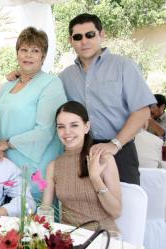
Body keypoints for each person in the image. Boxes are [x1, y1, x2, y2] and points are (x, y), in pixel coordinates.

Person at [58, 13, 156, 185]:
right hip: (82, 152)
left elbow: (142, 111)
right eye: (78, 37)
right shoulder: (65, 77)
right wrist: (22, 75)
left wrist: (115, 144)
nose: (84, 41)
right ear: (70, 40)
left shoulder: (124, 66)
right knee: (87, 208)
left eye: (90, 34)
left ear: (102, 34)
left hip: (120, 150)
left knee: (126, 207)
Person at [0, 27, 67, 203]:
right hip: (6, 163)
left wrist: (7, 143)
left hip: (36, 165)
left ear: (43, 57)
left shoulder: (51, 84)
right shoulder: (7, 86)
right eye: (24, 50)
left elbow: (45, 131)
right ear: (17, 54)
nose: (28, 55)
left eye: (35, 51)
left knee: (35, 224)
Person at [42, 101, 121, 231]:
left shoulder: (103, 158)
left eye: (74, 125)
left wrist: (95, 177)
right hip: (68, 239)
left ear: (86, 127)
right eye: (61, 126)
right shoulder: (53, 166)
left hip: (103, 236)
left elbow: (116, 212)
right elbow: (45, 209)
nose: (67, 132)